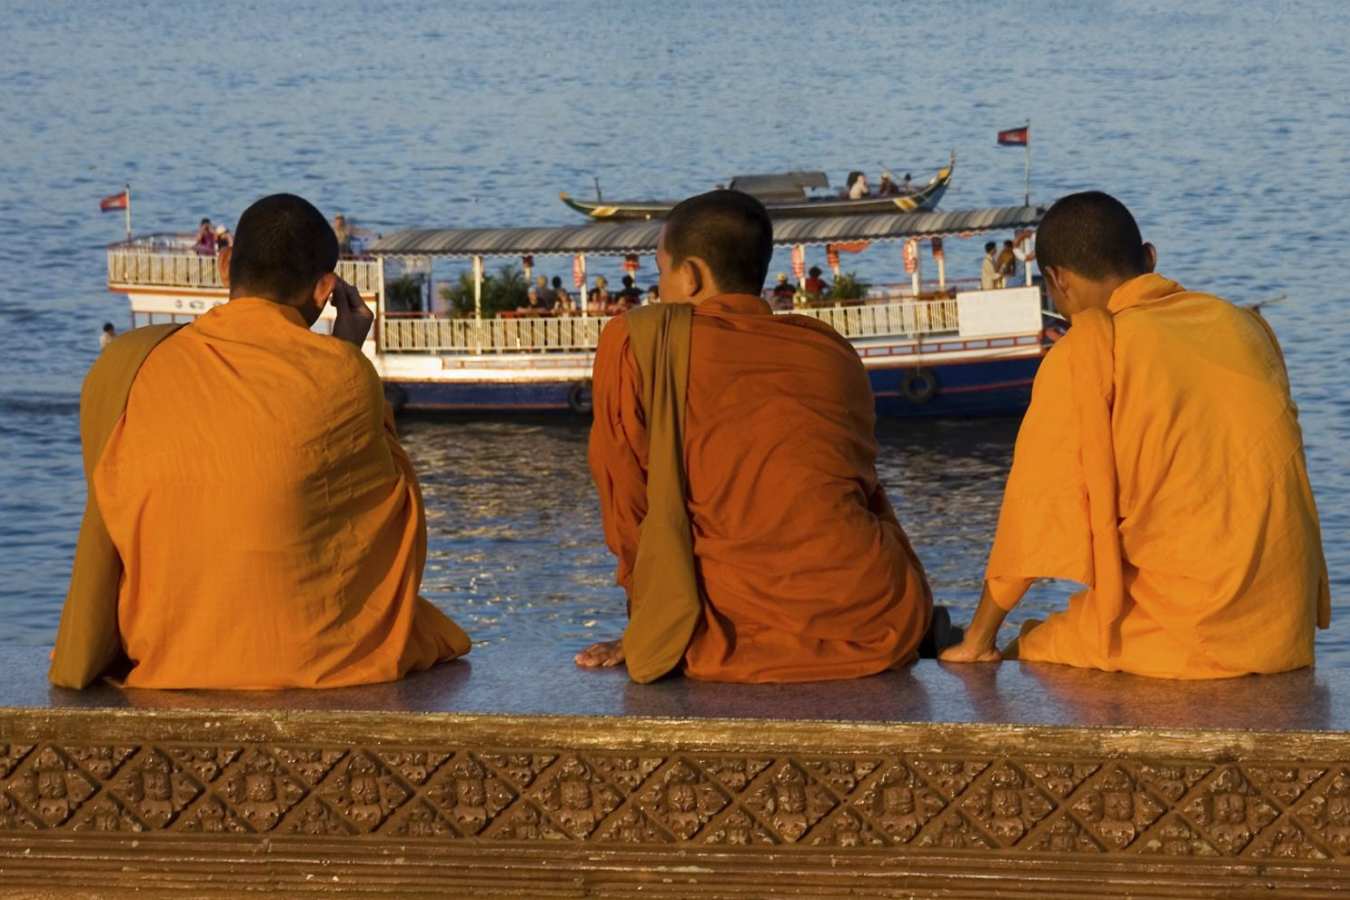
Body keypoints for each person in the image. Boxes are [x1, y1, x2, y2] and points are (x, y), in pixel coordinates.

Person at [49, 193, 471, 690]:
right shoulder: (346, 374)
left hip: (169, 649)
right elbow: (392, 517)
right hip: (305, 654)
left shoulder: (128, 366)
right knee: (430, 632)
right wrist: (346, 352)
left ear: (225, 263)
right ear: (325, 289)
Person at [940, 191, 1329, 678]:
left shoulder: (1084, 355)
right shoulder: (1243, 326)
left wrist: (978, 640)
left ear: (1057, 280)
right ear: (1149, 258)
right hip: (1282, 629)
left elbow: (1036, 517)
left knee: (1032, 648)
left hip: (1189, 632)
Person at [579, 189, 935, 683]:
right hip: (871, 614)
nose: (659, 289)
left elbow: (628, 504)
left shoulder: (634, 344)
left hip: (722, 629)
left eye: (662, 272)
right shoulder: (828, 349)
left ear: (691, 275)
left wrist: (650, 625)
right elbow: (861, 483)